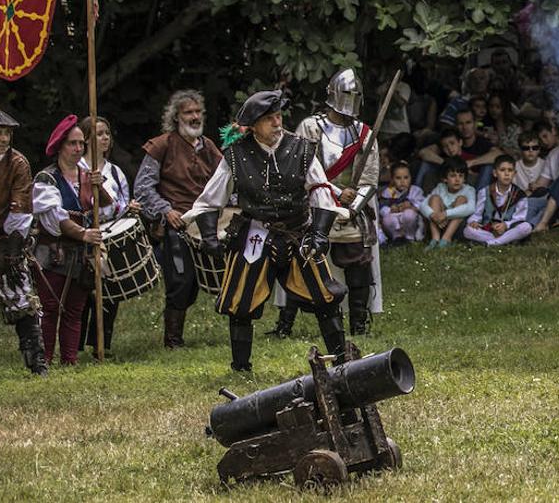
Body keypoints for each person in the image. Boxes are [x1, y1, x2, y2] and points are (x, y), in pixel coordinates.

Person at [183, 90, 348, 372]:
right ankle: (240, 367)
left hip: (299, 231)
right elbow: (211, 199)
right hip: (255, 233)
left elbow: (321, 191)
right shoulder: (235, 155)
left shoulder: (303, 149)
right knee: (239, 302)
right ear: (254, 125)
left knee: (325, 298)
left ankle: (343, 361)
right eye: (269, 118)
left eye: (278, 116)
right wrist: (209, 237)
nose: (277, 123)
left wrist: (319, 233)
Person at [277, 68, 383, 338]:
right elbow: (303, 168)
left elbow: (370, 178)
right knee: (301, 260)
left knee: (358, 263)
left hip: (350, 212)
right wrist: (336, 192)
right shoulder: (311, 127)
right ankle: (285, 325)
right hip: (314, 205)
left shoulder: (365, 133)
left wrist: (352, 205)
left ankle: (359, 325)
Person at [135, 89, 223, 350]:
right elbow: (143, 188)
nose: (195, 117)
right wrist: (165, 210)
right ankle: (172, 340)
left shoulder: (208, 147)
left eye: (198, 112)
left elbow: (224, 180)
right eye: (188, 112)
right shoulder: (162, 145)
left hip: (205, 224)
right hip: (177, 224)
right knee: (180, 281)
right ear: (176, 117)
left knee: (197, 283)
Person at [31, 115, 115, 367]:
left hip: (82, 254)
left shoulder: (88, 175)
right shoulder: (46, 179)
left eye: (81, 143)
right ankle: (43, 360)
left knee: (74, 310)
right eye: (72, 143)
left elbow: (108, 209)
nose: (78, 148)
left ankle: (69, 360)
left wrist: (99, 188)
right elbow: (55, 219)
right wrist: (83, 233)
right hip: (53, 252)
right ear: (60, 145)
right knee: (50, 308)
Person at [0, 109, 47, 375]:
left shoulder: (17, 164)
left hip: (6, 240)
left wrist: (13, 252)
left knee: (23, 302)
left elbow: (21, 211)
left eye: (7, 133)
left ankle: (37, 364)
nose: (4, 138)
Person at [77, 115, 139, 355]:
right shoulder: (78, 168)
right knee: (85, 292)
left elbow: (120, 204)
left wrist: (129, 209)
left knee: (110, 292)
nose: (105, 138)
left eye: (107, 133)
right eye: (99, 134)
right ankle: (78, 344)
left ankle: (101, 343)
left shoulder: (115, 172)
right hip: (85, 233)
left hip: (109, 234)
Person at [465, 154, 532, 247]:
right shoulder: (485, 192)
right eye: (502, 170)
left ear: (515, 173)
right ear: (495, 173)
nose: (507, 174)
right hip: (489, 229)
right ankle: (506, 241)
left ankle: (491, 243)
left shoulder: (519, 195)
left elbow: (519, 218)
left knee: (526, 227)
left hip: (507, 230)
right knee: (468, 230)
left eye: (510, 170)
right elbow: (477, 214)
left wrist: (506, 225)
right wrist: (474, 221)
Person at [419, 157, 477, 247]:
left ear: (465, 179)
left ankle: (446, 239)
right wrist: (433, 215)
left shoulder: (469, 190)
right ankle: (435, 239)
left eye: (461, 176)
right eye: (453, 175)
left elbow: (471, 208)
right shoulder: (440, 187)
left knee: (462, 199)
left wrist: (446, 214)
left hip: (457, 227)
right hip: (438, 224)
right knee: (434, 198)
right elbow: (422, 205)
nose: (457, 179)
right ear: (445, 179)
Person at [378, 161, 425, 242]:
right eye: (398, 178)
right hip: (394, 217)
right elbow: (382, 206)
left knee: (409, 214)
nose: (402, 181)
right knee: (387, 219)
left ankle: (410, 237)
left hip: (411, 221)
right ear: (392, 179)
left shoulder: (415, 190)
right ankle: (397, 237)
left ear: (411, 177)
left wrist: (412, 206)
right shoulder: (388, 191)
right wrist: (390, 210)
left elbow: (422, 204)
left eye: (406, 177)